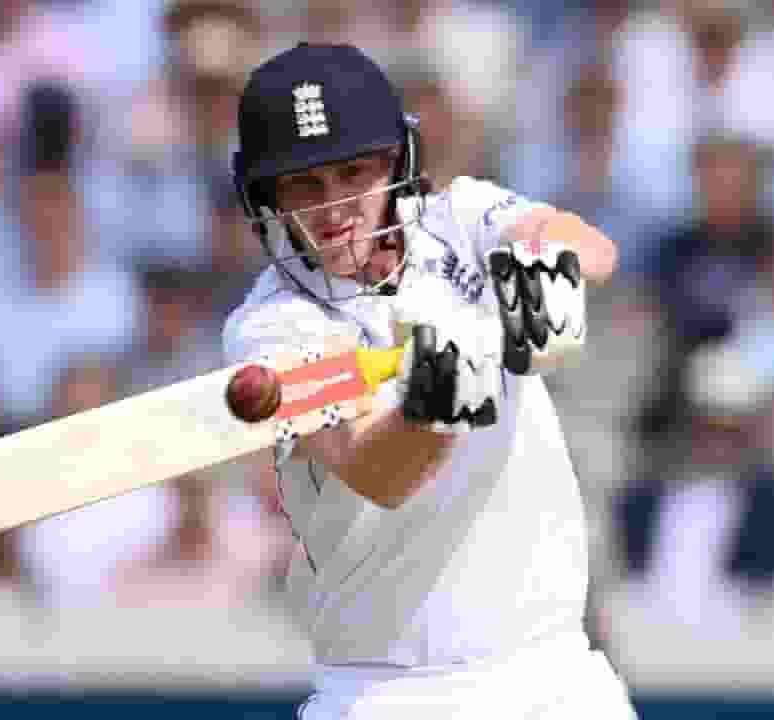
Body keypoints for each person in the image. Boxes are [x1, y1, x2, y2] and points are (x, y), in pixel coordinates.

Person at [223, 43, 637, 719]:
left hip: (556, 671)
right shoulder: (273, 330)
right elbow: (378, 472)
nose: (334, 208)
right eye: (304, 185)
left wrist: (546, 264)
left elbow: (594, 248)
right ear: (264, 197)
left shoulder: (463, 217)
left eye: (353, 173)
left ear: (399, 159)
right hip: (396, 691)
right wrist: (439, 401)